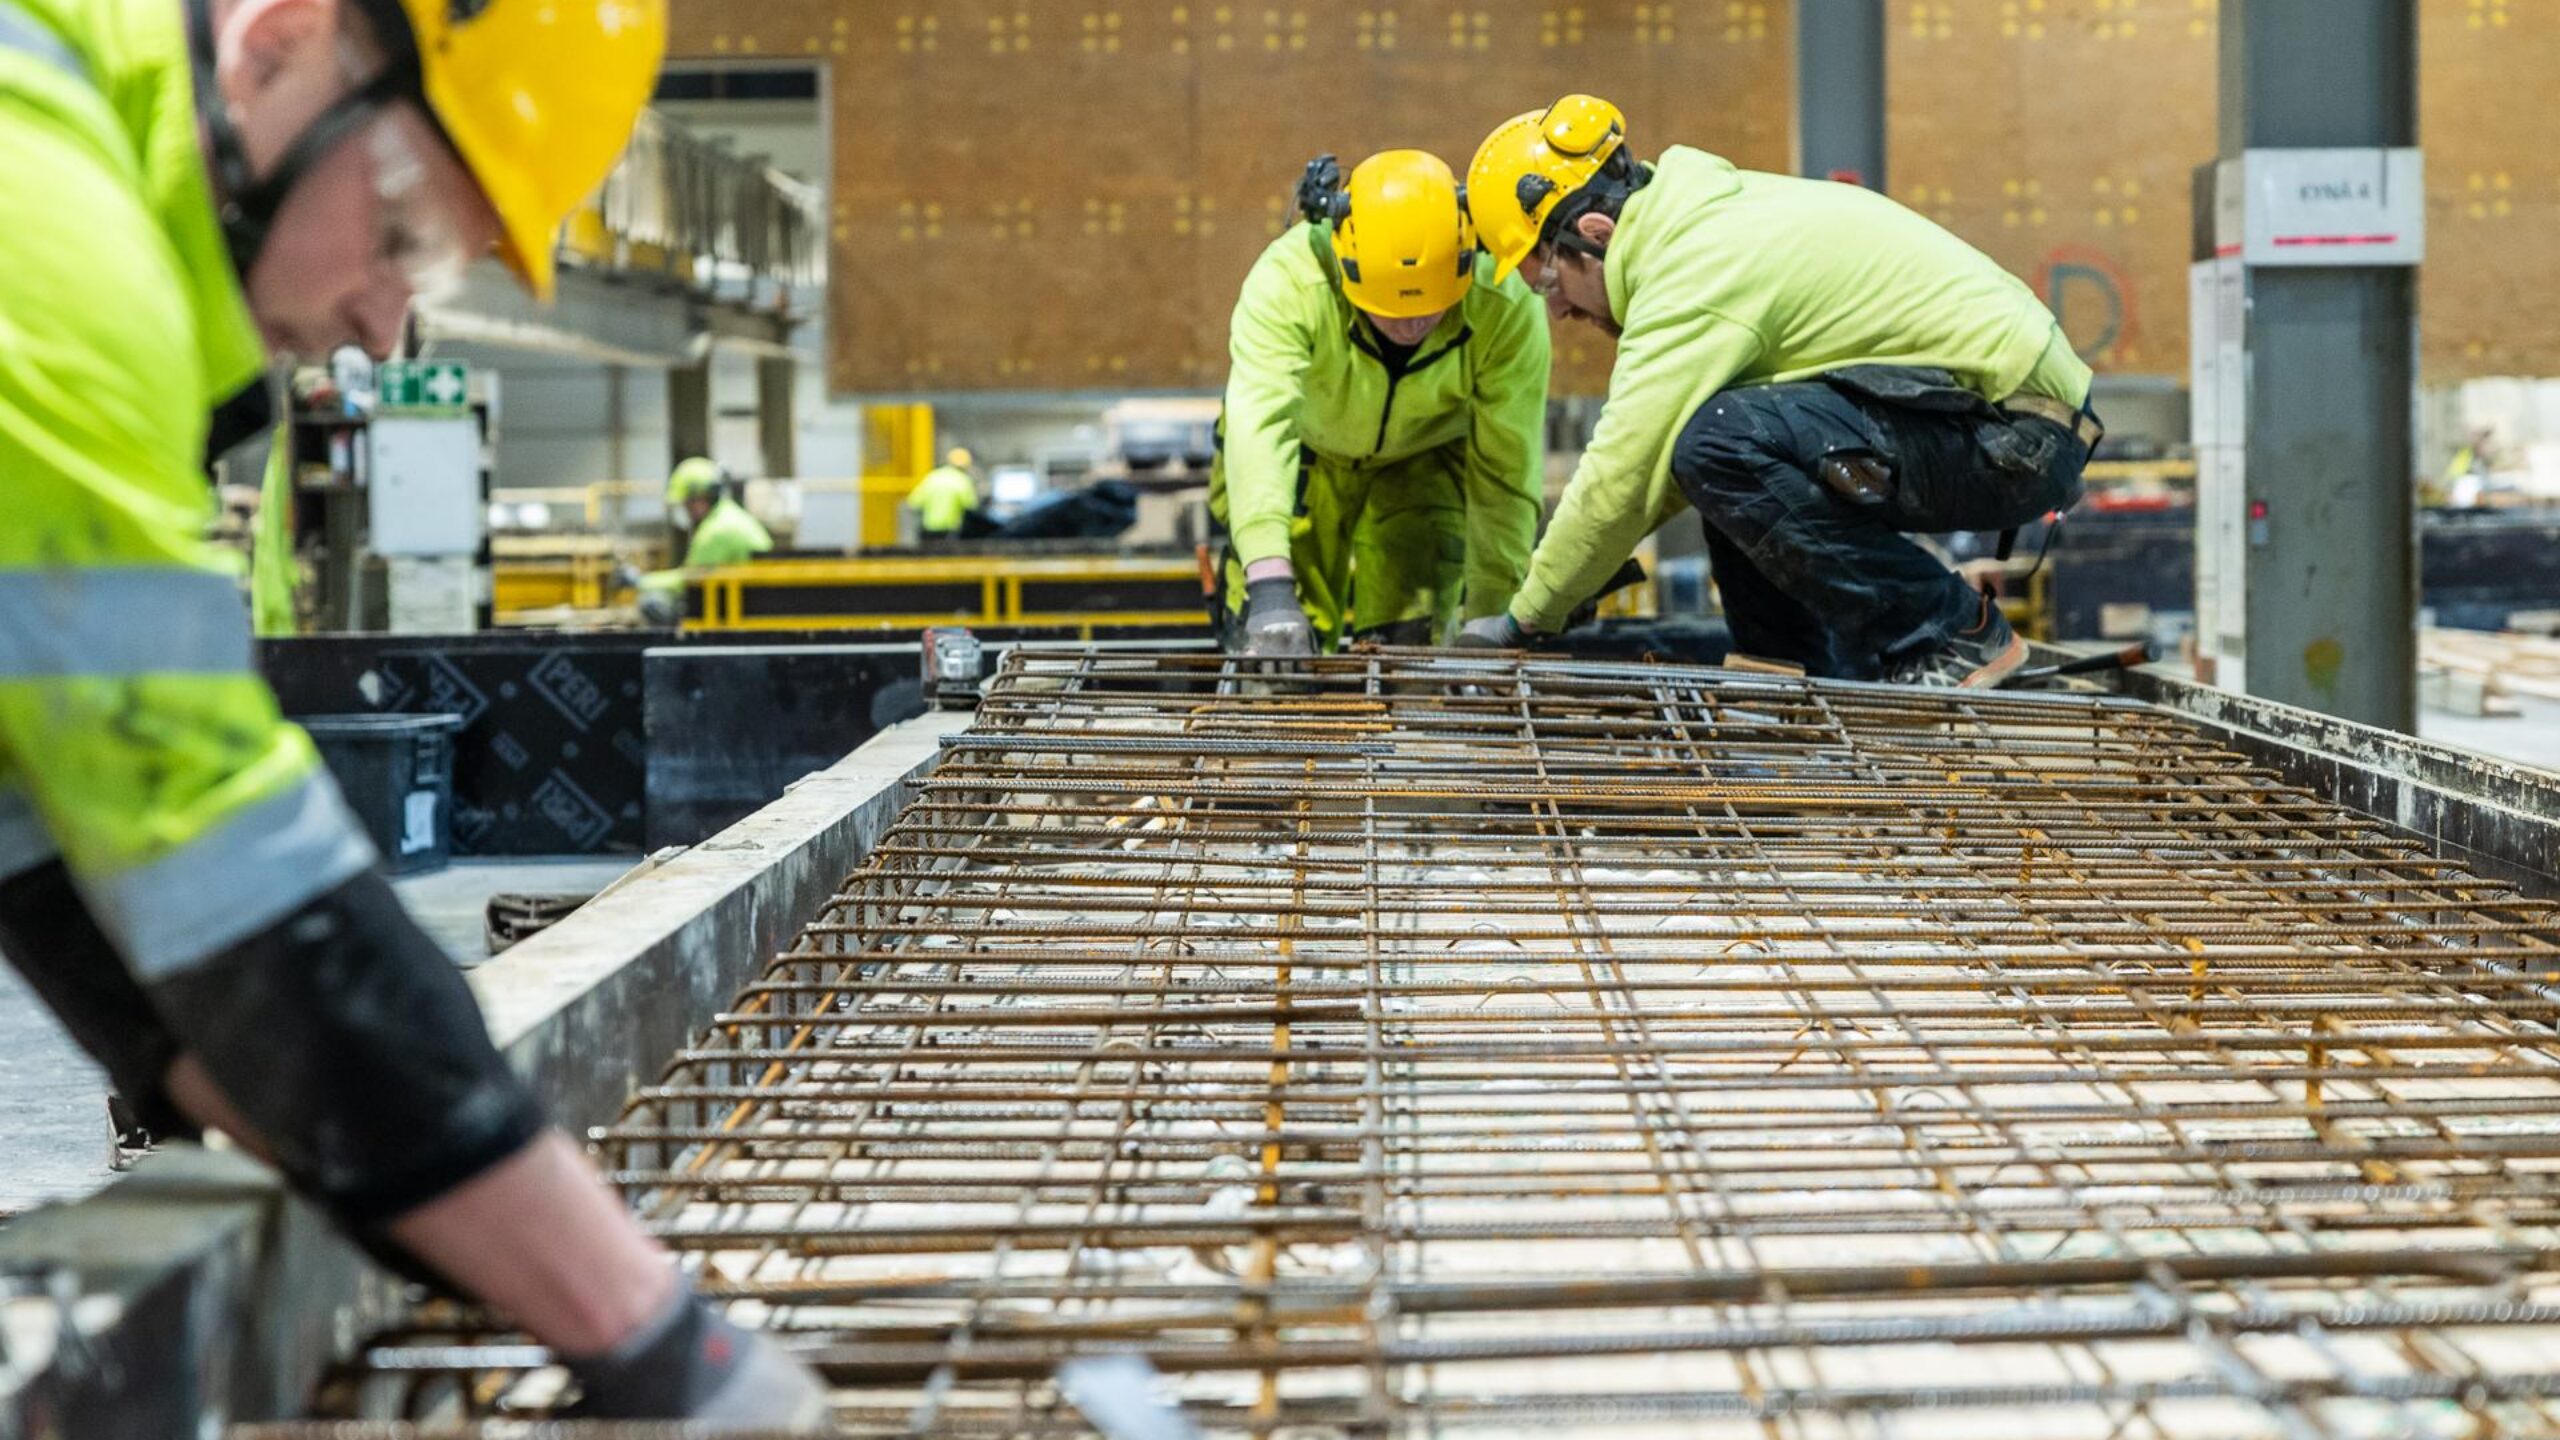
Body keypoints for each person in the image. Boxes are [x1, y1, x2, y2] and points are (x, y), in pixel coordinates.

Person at [0, 0, 825, 1422]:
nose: (385, 325)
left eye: (432, 265)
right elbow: (239, 892)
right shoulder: (45, 237)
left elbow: (64, 865)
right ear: (278, 42)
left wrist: (390, 1161)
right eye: (397, 234)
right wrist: (661, 1346)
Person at [1455, 96, 2102, 687]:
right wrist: (1572, 587)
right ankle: (1785, 678)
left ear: (1595, 233)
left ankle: (1950, 633)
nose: (1559, 312)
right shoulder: (1698, 223)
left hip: (2013, 435)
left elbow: (1622, 472)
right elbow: (1659, 475)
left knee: (1715, 442)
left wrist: (1525, 620)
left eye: (1549, 285)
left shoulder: (1694, 268)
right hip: (1987, 421)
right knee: (1712, 446)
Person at [1209, 148, 1547, 656]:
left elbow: (1506, 467)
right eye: (1390, 309)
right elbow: (1261, 424)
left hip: (1424, 460)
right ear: (1345, 264)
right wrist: (1270, 585)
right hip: (1303, 456)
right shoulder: (1290, 281)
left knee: (1409, 653)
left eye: (1429, 307)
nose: (1411, 325)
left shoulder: (1502, 298)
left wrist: (1491, 614)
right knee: (1274, 653)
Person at [636, 456, 773, 623]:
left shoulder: (716, 531)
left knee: (653, 603)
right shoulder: (732, 517)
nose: (686, 510)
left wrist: (640, 581)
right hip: (753, 604)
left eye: (687, 502)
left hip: (740, 612)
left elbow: (689, 579)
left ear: (701, 498)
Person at [907, 446, 980, 537]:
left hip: (928, 529)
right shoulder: (963, 480)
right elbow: (971, 505)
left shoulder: (932, 477)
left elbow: (914, 503)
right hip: (950, 530)